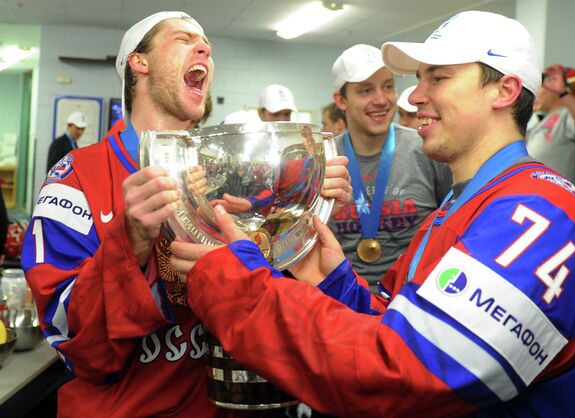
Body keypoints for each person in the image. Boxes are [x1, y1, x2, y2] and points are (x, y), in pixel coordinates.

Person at [172, 11, 575, 418]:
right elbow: (400, 323)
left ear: (504, 91)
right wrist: (335, 283)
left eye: (439, 77)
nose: (414, 96)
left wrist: (238, 286)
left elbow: (405, 373)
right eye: (418, 78)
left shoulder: (539, 212)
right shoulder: (461, 206)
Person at [21, 11, 351, 417]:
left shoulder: (224, 172)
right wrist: (131, 243)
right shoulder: (77, 178)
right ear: (139, 63)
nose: (205, 49)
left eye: (207, 44)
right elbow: (77, 348)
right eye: (182, 39)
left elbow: (266, 295)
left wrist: (302, 214)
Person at [328, 43, 451, 289]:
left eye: (388, 86)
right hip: (340, 299)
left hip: (411, 299)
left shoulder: (427, 149)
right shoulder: (323, 159)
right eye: (365, 91)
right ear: (341, 100)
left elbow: (452, 227)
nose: (381, 100)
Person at [526, 64, 575, 184]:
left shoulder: (567, 115)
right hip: (533, 194)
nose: (535, 95)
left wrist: (563, 92)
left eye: (540, 88)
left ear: (553, 89)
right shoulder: (538, 124)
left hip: (556, 198)